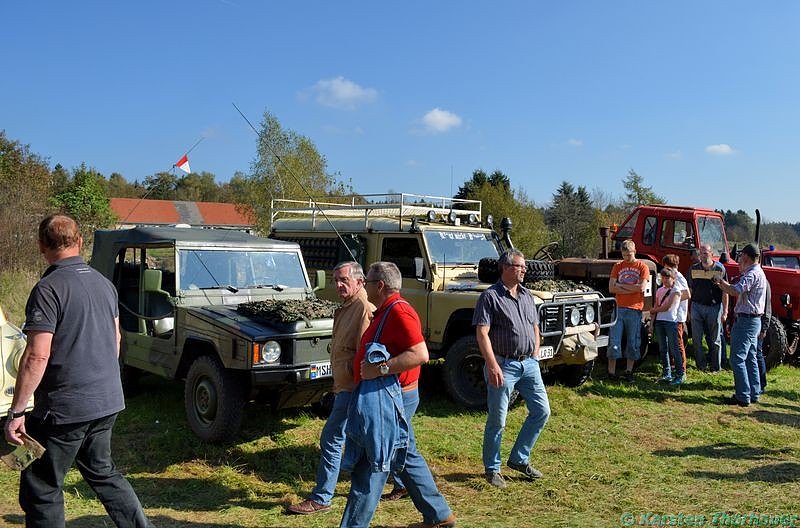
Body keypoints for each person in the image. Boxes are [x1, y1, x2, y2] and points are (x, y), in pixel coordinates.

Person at [3, 214, 153, 528]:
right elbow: (115, 339)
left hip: (65, 410)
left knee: (42, 485)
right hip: (107, 402)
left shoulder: (47, 289)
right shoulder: (104, 284)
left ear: (41, 246)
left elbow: (37, 356)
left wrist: (17, 412)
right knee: (103, 472)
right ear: (80, 242)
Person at [339, 261, 455, 528]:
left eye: (367, 282)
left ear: (380, 285)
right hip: (390, 398)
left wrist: (380, 369)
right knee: (405, 453)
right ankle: (438, 515)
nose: (364, 286)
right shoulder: (386, 311)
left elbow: (420, 354)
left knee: (372, 461)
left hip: (390, 400)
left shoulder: (400, 312)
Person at [288, 261, 374, 515]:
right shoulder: (347, 306)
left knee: (332, 437)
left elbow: (364, 354)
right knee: (374, 438)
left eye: (344, 280)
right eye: (336, 280)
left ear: (359, 281)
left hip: (353, 388)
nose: (338, 285)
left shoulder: (363, 309)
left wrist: (356, 389)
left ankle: (322, 497)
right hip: (344, 386)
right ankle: (404, 482)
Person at [473, 249, 551, 489]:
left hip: (529, 364)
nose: (525, 270)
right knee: (498, 419)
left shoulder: (527, 295)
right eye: (520, 266)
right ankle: (492, 468)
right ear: (505, 268)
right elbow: (482, 333)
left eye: (524, 266)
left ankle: (519, 459)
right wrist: (492, 364)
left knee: (542, 411)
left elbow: (534, 325)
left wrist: (535, 351)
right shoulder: (490, 297)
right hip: (503, 365)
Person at [713, 243, 767, 406]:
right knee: (750, 357)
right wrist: (722, 284)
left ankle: (742, 396)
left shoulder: (751, 274)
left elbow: (736, 290)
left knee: (737, 358)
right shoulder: (759, 272)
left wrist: (720, 282)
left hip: (746, 321)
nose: (740, 258)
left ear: (747, 257)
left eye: (742, 255)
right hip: (754, 320)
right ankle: (754, 392)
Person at [607, 240, 651, 382]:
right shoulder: (617, 266)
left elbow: (641, 288)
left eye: (629, 255)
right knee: (614, 340)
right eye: (624, 255)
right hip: (619, 308)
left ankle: (629, 371)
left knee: (633, 341)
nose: (626, 258)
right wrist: (632, 288)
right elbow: (611, 288)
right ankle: (611, 372)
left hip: (634, 309)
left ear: (634, 251)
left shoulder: (642, 267)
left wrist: (621, 286)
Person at [687, 244, 729, 372]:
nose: (703, 256)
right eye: (701, 253)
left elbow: (725, 291)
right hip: (696, 307)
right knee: (696, 339)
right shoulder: (693, 269)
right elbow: (689, 290)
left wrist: (725, 311)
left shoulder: (720, 269)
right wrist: (687, 309)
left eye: (706, 253)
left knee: (715, 339)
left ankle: (716, 368)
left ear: (712, 254)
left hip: (714, 307)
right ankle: (701, 366)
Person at [649, 268, 684, 384]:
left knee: (674, 349)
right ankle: (666, 373)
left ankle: (679, 374)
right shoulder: (659, 290)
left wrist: (654, 310)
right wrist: (652, 323)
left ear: (673, 278)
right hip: (659, 322)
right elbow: (656, 306)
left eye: (667, 277)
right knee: (662, 349)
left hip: (671, 322)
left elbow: (667, 307)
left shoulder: (676, 290)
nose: (664, 280)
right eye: (663, 277)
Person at [662, 254, 690, 378]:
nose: (665, 269)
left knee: (678, 343)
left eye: (667, 267)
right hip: (670, 315)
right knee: (672, 343)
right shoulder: (670, 276)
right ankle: (674, 366)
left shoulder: (679, 277)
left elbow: (687, 294)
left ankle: (682, 370)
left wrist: (673, 299)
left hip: (677, 316)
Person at [756, 280, 772, 394]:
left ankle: (761, 384)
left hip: (759, 323)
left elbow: (767, 308)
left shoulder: (763, 282)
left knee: (757, 353)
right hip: (755, 323)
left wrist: (764, 328)